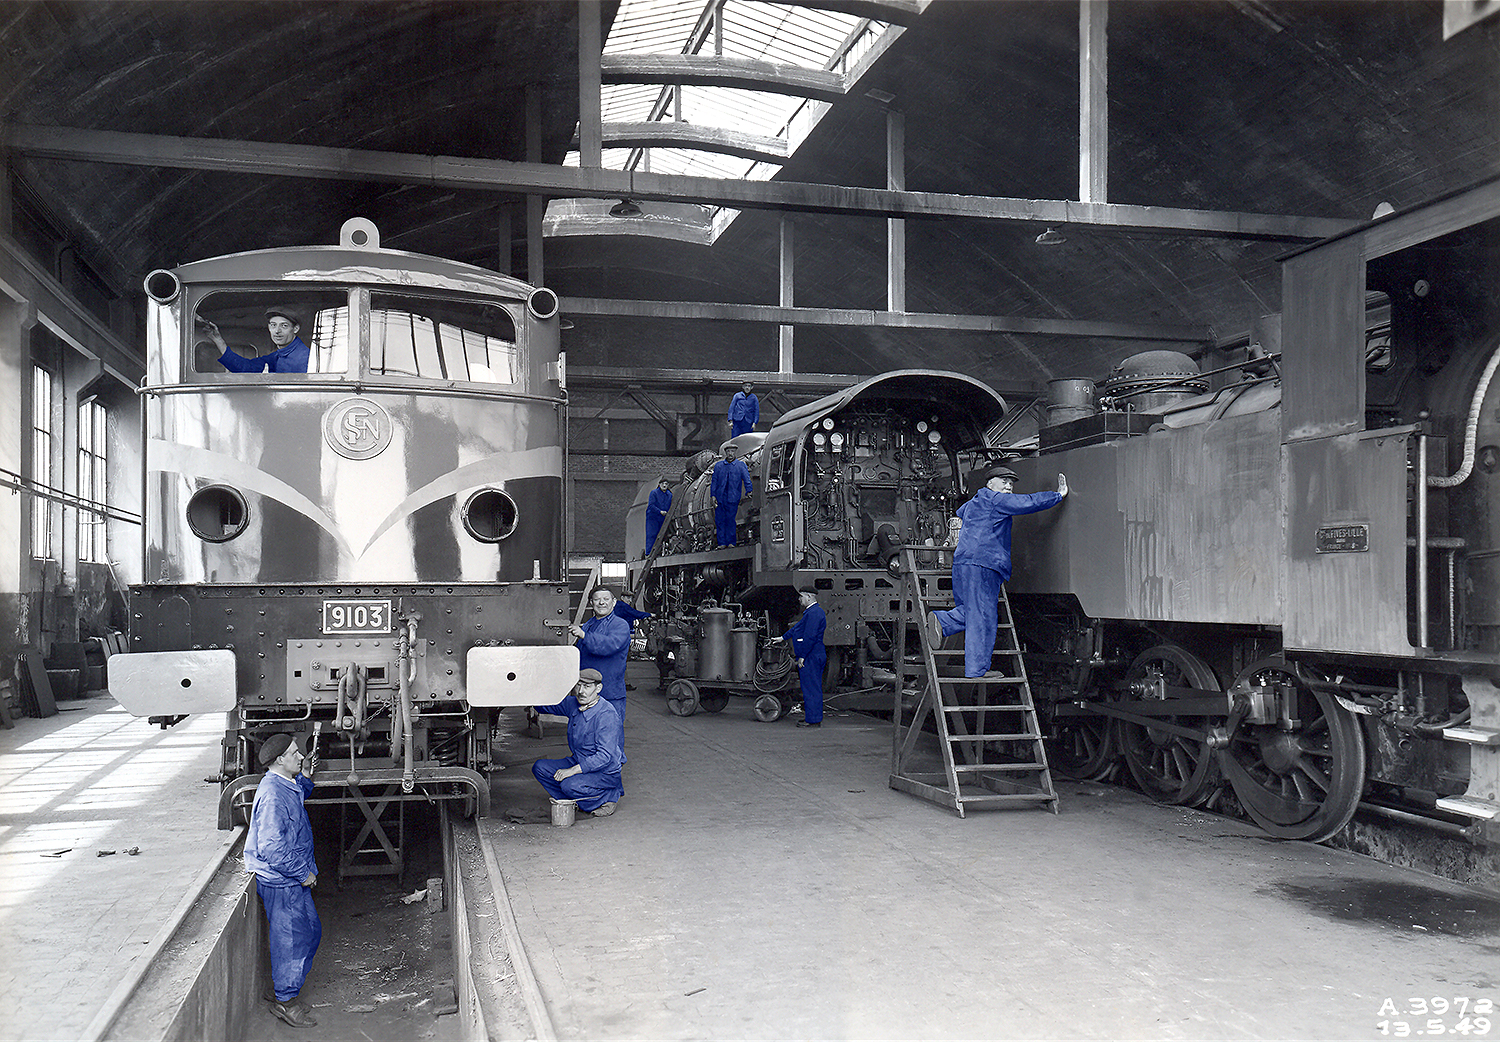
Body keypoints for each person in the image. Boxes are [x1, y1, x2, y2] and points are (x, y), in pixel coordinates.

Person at [929, 465, 1069, 678]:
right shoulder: (995, 500)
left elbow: (960, 514)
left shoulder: (972, 503)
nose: (1009, 486)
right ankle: (975, 667)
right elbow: (1027, 502)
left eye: (1011, 483)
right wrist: (1057, 495)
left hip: (962, 564)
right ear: (990, 484)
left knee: (970, 610)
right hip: (984, 563)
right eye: (1003, 481)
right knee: (983, 616)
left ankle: (943, 622)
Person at [244, 733, 322, 1029]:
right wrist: (304, 873)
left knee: (309, 932)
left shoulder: (284, 783)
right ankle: (286, 1002)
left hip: (289, 877)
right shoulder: (274, 795)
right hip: (282, 878)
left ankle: (279, 987)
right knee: (291, 941)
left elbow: (299, 791)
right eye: (294, 754)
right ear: (279, 760)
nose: (300, 756)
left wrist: (305, 776)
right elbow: (272, 848)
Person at [531, 668, 624, 817]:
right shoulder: (574, 703)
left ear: (598, 688)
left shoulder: (606, 715)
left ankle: (608, 797)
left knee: (569, 784)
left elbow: (604, 757)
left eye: (587, 687)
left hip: (604, 771)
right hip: (579, 760)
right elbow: (548, 705)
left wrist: (571, 771)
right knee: (540, 768)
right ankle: (570, 801)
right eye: (578, 685)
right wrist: (529, 692)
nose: (581, 691)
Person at [570, 587, 632, 723]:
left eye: (606, 599)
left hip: (610, 693)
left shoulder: (620, 625)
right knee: (587, 735)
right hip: (586, 693)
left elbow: (609, 645)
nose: (601, 603)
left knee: (610, 735)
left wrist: (584, 635)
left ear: (614, 602)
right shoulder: (588, 625)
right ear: (591, 603)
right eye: (597, 600)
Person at [205, 306, 311, 374]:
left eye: (284, 326)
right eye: (273, 325)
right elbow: (245, 367)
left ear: (295, 329)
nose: (277, 331)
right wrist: (218, 340)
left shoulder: (303, 358)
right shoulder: (277, 355)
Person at [781, 586, 827, 728]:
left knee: (810, 688)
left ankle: (813, 720)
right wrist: (782, 637)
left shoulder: (813, 614)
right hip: (814, 654)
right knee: (812, 687)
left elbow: (810, 637)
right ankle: (812, 718)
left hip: (811, 656)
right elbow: (797, 628)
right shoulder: (812, 612)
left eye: (801, 597)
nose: (799, 600)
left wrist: (802, 656)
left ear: (808, 596)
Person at [709, 444, 753, 548]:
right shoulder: (719, 466)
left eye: (732, 451)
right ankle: (722, 543)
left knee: (730, 520)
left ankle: (731, 542)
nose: (730, 454)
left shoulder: (740, 465)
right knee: (720, 521)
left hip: (733, 497)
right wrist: (713, 495)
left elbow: (747, 479)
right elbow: (714, 481)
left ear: (735, 452)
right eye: (728, 451)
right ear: (725, 452)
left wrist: (749, 491)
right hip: (720, 498)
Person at [644, 477, 673, 557]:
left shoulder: (669, 495)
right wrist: (659, 511)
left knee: (663, 535)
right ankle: (649, 553)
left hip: (663, 517)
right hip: (653, 516)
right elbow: (651, 505)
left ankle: (660, 551)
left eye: (666, 484)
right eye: (663, 484)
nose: (664, 485)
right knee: (652, 534)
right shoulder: (654, 493)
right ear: (659, 485)